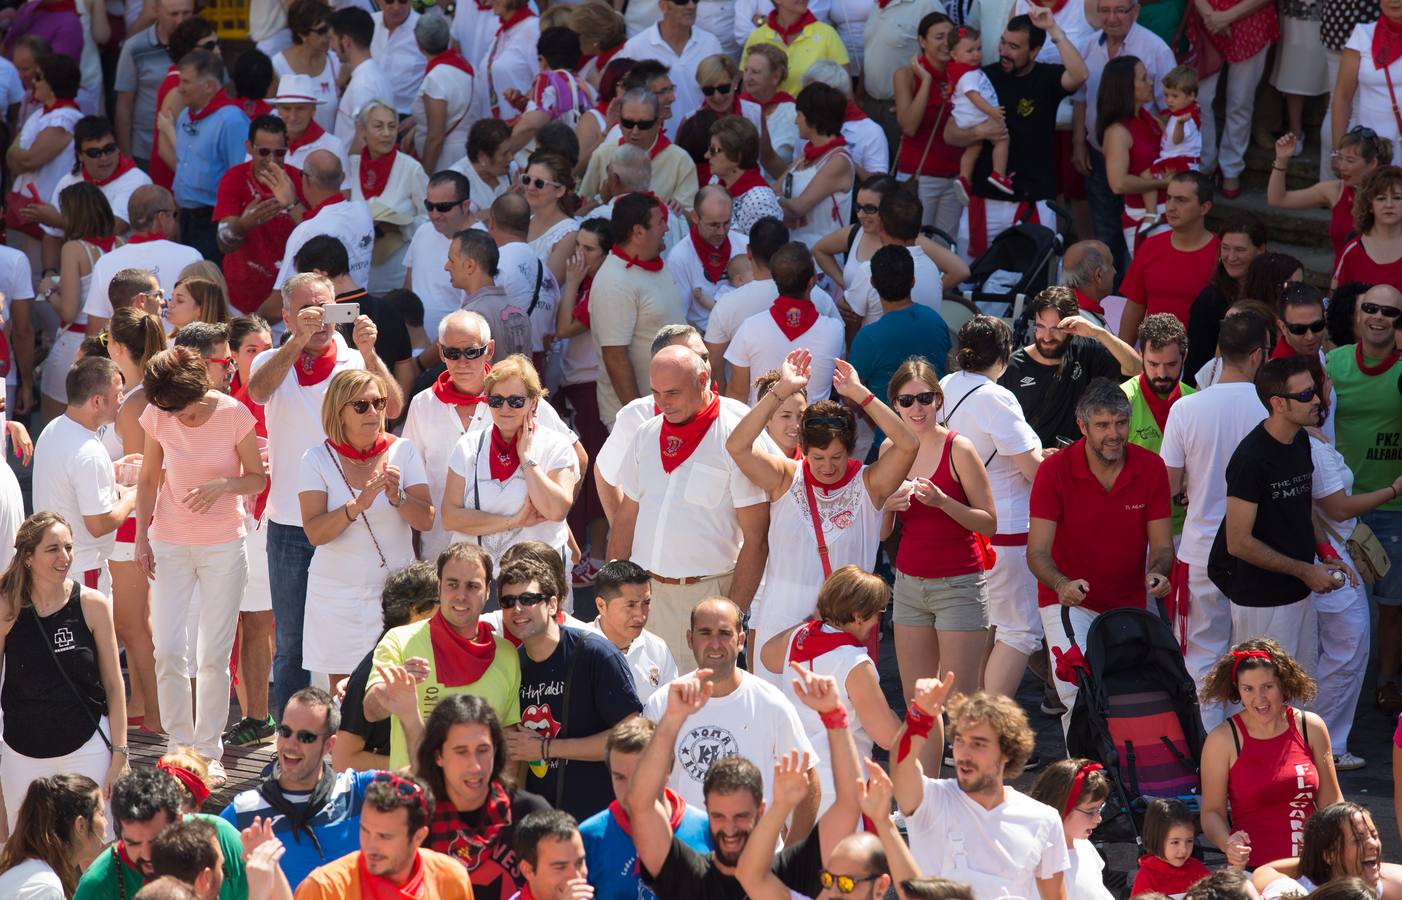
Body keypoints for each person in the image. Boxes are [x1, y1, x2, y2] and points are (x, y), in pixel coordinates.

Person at [247, 271, 399, 719]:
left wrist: (370, 352)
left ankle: (358, 727)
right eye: (309, 309)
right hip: (291, 524)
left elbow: (391, 407)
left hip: (351, 517)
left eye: (327, 308)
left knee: (361, 629)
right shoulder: (271, 359)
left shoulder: (354, 360)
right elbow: (258, 392)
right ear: (288, 314)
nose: (321, 319)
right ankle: (290, 738)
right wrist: (298, 340)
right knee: (291, 640)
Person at [135, 346, 265, 785]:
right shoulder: (159, 413)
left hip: (224, 546)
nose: (180, 418)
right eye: (171, 410)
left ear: (200, 388)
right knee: (168, 650)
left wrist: (225, 485)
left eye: (184, 409)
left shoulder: (232, 413)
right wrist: (140, 536)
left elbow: (257, 478)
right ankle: (177, 746)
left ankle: (208, 751)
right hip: (169, 542)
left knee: (213, 654)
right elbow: (149, 477)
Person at [731, 350, 915, 650]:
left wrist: (860, 394)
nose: (827, 467)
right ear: (803, 447)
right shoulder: (786, 477)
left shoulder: (870, 483)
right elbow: (737, 445)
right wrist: (781, 391)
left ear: (851, 449)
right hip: (783, 624)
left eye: (836, 457)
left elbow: (909, 444)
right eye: (818, 458)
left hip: (848, 626)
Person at [606, 343, 768, 663]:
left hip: (708, 599)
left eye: (673, 393)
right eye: (656, 393)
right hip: (645, 595)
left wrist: (732, 615)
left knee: (706, 706)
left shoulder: (734, 435)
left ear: (703, 378)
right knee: (645, 704)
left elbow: (757, 538)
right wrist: (612, 590)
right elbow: (628, 515)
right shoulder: (646, 434)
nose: (663, 403)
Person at [1028, 379, 1175, 724]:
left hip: (1128, 603)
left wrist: (1158, 572)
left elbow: (1164, 547)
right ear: (1082, 426)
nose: (1114, 433)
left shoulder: (1151, 468)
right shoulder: (1054, 470)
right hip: (1066, 601)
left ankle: (1118, 774)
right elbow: (1036, 553)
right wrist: (1062, 584)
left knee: (1127, 696)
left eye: (1121, 423)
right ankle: (1085, 775)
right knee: (1077, 692)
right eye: (1103, 425)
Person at [1159, 309, 1269, 728]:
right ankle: (1253, 751)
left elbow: (1168, 487)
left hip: (1201, 549)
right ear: (1259, 354)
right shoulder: (1271, 408)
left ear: (1220, 352)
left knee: (1200, 660)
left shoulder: (1186, 409)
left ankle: (1208, 753)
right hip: (1259, 551)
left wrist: (1191, 488)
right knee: (1256, 657)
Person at [1208, 356, 1354, 659]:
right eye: (1304, 395)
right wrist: (1305, 571)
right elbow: (1238, 542)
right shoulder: (1251, 459)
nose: (1316, 400)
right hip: (1262, 602)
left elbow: (1302, 505)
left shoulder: (1300, 440)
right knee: (1267, 698)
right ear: (1278, 403)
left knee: (1300, 695)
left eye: (1313, 390)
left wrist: (1326, 553)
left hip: (1299, 592)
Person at [938, 316, 1047, 699]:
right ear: (1004, 355)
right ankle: (989, 726)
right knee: (1019, 630)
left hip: (960, 526)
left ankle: (961, 728)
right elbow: (1033, 470)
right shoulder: (996, 396)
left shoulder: (944, 387)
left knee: (978, 627)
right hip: (1007, 529)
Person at [0, 511, 128, 833]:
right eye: (53, 549)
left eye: (69, 548)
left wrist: (120, 754)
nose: (65, 557)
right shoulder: (7, 608)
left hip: (87, 749)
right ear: (28, 557)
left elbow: (114, 685)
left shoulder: (93, 605)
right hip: (22, 753)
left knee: (95, 852)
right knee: (28, 857)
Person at [641, 597, 820, 823]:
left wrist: (792, 855)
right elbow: (641, 783)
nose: (715, 643)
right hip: (684, 851)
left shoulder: (772, 703)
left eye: (725, 633)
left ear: (741, 640)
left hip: (756, 852)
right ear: (689, 639)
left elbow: (809, 780)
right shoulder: (662, 703)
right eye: (705, 633)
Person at [891, 682, 1070, 899]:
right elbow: (902, 764)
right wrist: (920, 714)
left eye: (978, 744)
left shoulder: (1045, 820)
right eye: (959, 741)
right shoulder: (928, 800)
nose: (964, 754)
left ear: (1006, 752)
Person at [497, 558, 642, 820]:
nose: (517, 608)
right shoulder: (511, 664)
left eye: (528, 599)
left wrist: (547, 748)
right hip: (542, 828)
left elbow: (632, 739)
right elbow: (517, 751)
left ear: (553, 604)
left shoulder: (597, 654)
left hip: (600, 822)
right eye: (508, 602)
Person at [760, 566, 905, 815]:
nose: (877, 622)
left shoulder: (799, 636)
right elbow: (888, 737)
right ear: (859, 616)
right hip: (839, 785)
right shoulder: (855, 662)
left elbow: (766, 656)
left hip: (790, 775)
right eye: (879, 614)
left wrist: (814, 621)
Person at [365, 543, 522, 771]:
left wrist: (505, 800)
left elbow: (509, 743)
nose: (461, 596)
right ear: (439, 586)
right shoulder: (400, 640)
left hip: (480, 799)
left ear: (488, 591)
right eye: (452, 584)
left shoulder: (506, 654)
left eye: (472, 586)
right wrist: (392, 692)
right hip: (418, 798)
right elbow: (370, 711)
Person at [1325, 283, 1402, 714]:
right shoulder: (1332, 364)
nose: (1378, 317)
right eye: (1369, 308)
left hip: (1393, 504)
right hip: (1338, 505)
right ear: (1356, 314)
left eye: (1388, 312)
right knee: (1337, 603)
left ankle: (1386, 680)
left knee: (1392, 603)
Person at [1199, 639, 1342, 868]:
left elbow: (1332, 802)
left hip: (1314, 867)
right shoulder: (1222, 740)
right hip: (1255, 870)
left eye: (1268, 686)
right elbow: (1211, 813)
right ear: (1238, 690)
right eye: (1248, 689)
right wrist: (1229, 844)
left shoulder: (1311, 727)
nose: (1260, 699)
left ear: (1284, 684)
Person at [221, 686, 374, 886]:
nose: (291, 744)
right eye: (285, 732)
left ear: (329, 745)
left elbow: (423, 777)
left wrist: (408, 714)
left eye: (306, 737)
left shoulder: (357, 792)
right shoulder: (243, 811)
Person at [440, 353, 577, 570]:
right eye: (496, 401)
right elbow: (450, 517)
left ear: (533, 403)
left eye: (515, 401)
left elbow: (556, 510)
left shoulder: (555, 445)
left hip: (539, 578)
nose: (505, 409)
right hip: (481, 578)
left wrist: (527, 459)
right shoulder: (469, 446)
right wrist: (514, 521)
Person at [1070, 0, 1176, 276]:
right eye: (1104, 10)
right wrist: (1078, 143)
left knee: (1138, 238)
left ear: (1136, 11)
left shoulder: (1156, 49)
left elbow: (1171, 105)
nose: (1112, 17)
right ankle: (1111, 301)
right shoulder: (1087, 46)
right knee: (1106, 231)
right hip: (1098, 153)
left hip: (1141, 159)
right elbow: (1080, 100)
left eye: (1120, 10)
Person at [412, 694, 549, 900]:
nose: (475, 765)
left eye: (483, 750)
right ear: (438, 756)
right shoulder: (414, 821)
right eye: (461, 751)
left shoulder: (531, 813)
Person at [33, 357, 136, 595]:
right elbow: (99, 525)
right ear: (97, 401)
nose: (123, 399)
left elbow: (69, 480)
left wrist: (110, 471)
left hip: (56, 566)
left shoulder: (53, 428)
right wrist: (132, 497)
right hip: (83, 570)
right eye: (119, 394)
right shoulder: (89, 453)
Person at [579, 716, 712, 900]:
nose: (630, 789)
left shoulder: (708, 830)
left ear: (667, 770)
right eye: (619, 777)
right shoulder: (588, 838)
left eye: (639, 776)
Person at [703, 218, 841, 392]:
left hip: (757, 415)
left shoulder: (729, 307)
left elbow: (714, 366)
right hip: (814, 417)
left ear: (749, 252)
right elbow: (839, 364)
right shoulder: (825, 304)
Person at [999, 286, 1143, 449]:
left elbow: (1136, 369)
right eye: (1040, 327)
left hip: (1076, 463)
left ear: (1071, 327)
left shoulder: (1086, 350)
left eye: (1055, 329)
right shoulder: (1012, 367)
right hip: (1030, 466)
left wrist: (1099, 334)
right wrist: (1034, 454)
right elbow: (1000, 430)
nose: (1047, 337)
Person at [73, 767, 248, 900]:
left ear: (179, 820)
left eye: (156, 840)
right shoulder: (97, 885)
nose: (148, 855)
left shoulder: (220, 838)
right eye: (133, 843)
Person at [293, 772, 473, 899]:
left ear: (419, 837)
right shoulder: (323, 890)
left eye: (384, 836)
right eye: (364, 830)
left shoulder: (452, 880)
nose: (370, 846)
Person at [590, 192, 687, 427]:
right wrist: (640, 421)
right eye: (660, 222)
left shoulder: (656, 265)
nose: (666, 228)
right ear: (639, 232)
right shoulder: (614, 281)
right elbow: (615, 357)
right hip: (642, 421)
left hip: (668, 412)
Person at [334, 562, 439, 771]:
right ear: (416, 611)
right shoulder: (371, 673)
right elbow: (343, 761)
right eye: (441, 601)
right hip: (388, 795)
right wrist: (425, 768)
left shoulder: (430, 655)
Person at [724, 243, 846, 404]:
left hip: (761, 428)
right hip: (813, 427)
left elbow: (736, 393)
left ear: (775, 280)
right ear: (812, 281)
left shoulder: (749, 328)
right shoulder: (835, 330)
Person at [213, 115, 306, 317]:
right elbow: (223, 243)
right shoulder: (234, 178)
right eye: (263, 151)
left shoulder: (300, 180)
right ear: (249, 147)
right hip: (240, 298)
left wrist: (291, 204)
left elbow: (313, 236)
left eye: (279, 153)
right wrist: (243, 226)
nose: (271, 160)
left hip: (288, 300)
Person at [39, 183, 117, 419]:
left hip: (75, 344)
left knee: (53, 427)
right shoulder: (122, 244)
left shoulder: (74, 249)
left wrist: (48, 291)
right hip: (112, 346)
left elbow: (69, 311)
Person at [82, 186, 201, 336]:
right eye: (174, 214)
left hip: (124, 356)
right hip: (179, 356)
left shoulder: (105, 262)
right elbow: (205, 316)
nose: (176, 221)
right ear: (161, 218)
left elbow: (96, 330)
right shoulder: (190, 257)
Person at [1119, 172, 1220, 345]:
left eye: (1181, 200)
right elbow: (1135, 306)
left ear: (1204, 207)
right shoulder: (1151, 246)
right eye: (1168, 198)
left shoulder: (1222, 253)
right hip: (1155, 358)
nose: (1170, 207)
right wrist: (1120, 361)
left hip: (1203, 360)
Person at [842, 191, 968, 329]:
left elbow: (851, 326)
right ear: (919, 228)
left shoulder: (869, 270)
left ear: (881, 226)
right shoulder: (933, 269)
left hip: (878, 348)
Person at [1270, 128, 1390, 269]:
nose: (1342, 167)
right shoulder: (1333, 190)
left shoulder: (1393, 195)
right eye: (1340, 158)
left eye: (1350, 161)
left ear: (1372, 164)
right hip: (1343, 281)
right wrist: (1281, 160)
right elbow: (1277, 199)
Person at [1121, 313, 1194, 534]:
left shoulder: (1196, 402)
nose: (1161, 374)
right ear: (1141, 355)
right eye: (1153, 364)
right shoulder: (1122, 401)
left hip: (1183, 531)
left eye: (1171, 365)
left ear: (1185, 357)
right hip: (1132, 529)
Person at [893, 13, 963, 236]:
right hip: (920, 176)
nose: (946, 43)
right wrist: (927, 82)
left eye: (950, 36)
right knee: (914, 243)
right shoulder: (905, 75)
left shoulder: (962, 72)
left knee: (945, 247)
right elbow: (909, 126)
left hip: (954, 176)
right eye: (939, 37)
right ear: (922, 42)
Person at [350, 100, 430, 294]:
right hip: (356, 273)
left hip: (397, 275)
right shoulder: (351, 165)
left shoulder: (411, 169)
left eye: (392, 126)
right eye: (378, 126)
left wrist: (401, 226)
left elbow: (432, 220)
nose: (386, 133)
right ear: (362, 130)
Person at [8, 54, 83, 252]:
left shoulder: (64, 119)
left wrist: (13, 153)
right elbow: (15, 158)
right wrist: (15, 154)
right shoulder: (44, 114)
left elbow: (28, 160)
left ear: (52, 84)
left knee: (37, 276)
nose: (33, 82)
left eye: (39, 77)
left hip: (49, 214)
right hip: (34, 213)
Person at [580, 90, 700, 213]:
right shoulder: (602, 154)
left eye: (644, 125)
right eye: (628, 123)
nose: (635, 131)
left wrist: (680, 212)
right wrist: (601, 199)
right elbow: (581, 210)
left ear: (658, 123)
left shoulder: (680, 161)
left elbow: (692, 219)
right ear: (619, 122)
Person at [273, 151, 376, 295]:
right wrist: (292, 204)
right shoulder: (362, 211)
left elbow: (281, 299)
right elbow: (322, 223)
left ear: (307, 180)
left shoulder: (306, 232)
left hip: (326, 315)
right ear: (343, 178)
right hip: (359, 309)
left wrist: (251, 317)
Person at [1183, 214, 1267, 384]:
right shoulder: (1210, 300)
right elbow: (1195, 362)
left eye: (1240, 250)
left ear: (1261, 249)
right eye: (1225, 248)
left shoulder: (1271, 294)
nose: (1230, 256)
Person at [1098, 56, 1172, 248]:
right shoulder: (1117, 132)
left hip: (1172, 210)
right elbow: (1118, 184)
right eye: (1144, 78)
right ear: (1126, 86)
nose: (1150, 83)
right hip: (1144, 218)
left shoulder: (1152, 120)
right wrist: (1164, 182)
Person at [620, 0, 723, 137]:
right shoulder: (635, 47)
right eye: (682, 1)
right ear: (663, 5)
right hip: (652, 144)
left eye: (695, 0)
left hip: (703, 143)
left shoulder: (711, 43)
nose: (691, 6)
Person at [1251, 803, 1396, 898]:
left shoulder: (1371, 880)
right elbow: (1263, 872)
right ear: (1329, 854)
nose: (1373, 844)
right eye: (1358, 840)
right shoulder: (1298, 892)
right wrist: (1312, 860)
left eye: (1374, 835)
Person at [0, 774, 107, 893]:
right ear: (81, 825)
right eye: (102, 814)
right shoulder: (46, 887)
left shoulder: (39, 874)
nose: (106, 823)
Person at [777, 83, 854, 248]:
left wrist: (782, 203)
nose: (795, 121)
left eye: (799, 115)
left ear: (812, 118)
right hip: (792, 251)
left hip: (822, 259)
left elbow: (799, 207)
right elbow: (772, 191)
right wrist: (784, 205)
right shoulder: (805, 156)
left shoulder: (838, 160)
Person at [1026, 759, 1116, 900]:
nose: (1098, 818)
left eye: (1100, 808)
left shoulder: (1082, 844)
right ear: (1061, 808)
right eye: (1091, 811)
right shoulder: (1039, 866)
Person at [404, 171, 476, 344]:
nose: (435, 214)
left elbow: (473, 311)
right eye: (429, 206)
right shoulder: (423, 231)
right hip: (413, 347)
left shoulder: (480, 244)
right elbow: (408, 286)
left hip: (454, 350)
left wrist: (430, 356)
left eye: (443, 207)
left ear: (465, 206)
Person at [666, 186, 748, 330]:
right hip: (705, 333)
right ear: (695, 217)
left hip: (744, 330)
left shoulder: (745, 244)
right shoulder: (679, 257)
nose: (721, 232)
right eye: (714, 225)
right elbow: (679, 316)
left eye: (727, 223)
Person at [742, 0, 849, 95]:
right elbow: (746, 89)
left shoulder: (827, 34)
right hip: (764, 115)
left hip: (813, 116)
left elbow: (845, 91)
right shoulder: (757, 36)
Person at [272, 0, 341, 135]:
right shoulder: (277, 65)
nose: (328, 35)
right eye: (322, 30)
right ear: (302, 34)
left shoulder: (336, 62)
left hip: (329, 152)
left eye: (330, 28)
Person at [328, 7, 390, 144]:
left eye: (332, 39)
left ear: (346, 41)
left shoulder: (364, 84)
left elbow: (365, 138)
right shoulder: (371, 75)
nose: (331, 46)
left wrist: (350, 164)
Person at [1130, 798, 1211, 898]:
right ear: (1156, 839)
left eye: (1189, 841)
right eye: (1175, 842)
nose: (1184, 849)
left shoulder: (1197, 869)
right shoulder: (1147, 877)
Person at [268, 74, 348, 174]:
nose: (293, 117)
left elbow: (343, 190)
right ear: (278, 110)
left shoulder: (334, 147)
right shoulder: (264, 142)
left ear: (313, 110)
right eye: (286, 108)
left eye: (300, 108)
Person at [369, 0, 424, 118]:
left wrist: (419, 118)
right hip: (366, 114)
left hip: (405, 118)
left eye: (403, 1)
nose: (396, 7)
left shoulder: (425, 29)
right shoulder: (367, 23)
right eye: (389, 1)